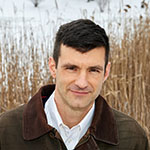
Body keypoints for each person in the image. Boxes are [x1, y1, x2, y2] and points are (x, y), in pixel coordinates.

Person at [0, 19, 149, 150]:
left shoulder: (132, 138)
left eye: (93, 70)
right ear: (53, 67)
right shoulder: (6, 132)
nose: (82, 83)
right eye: (72, 68)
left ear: (106, 72)